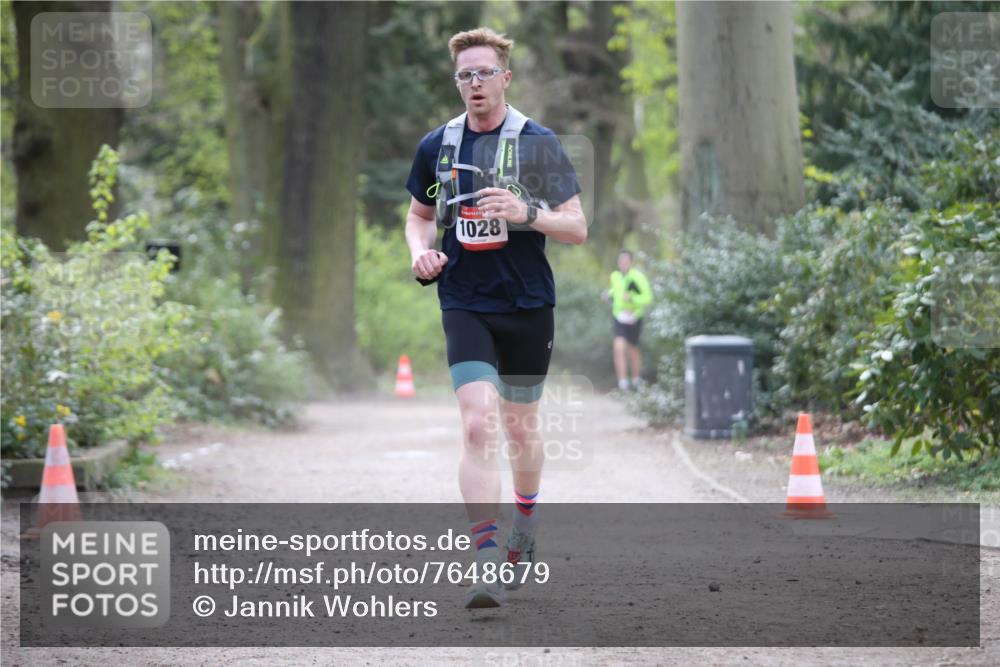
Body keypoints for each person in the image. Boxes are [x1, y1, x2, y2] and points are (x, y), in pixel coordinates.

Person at [404, 27, 587, 609]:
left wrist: (527, 212)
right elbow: (418, 215)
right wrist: (421, 253)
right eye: (465, 75)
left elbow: (577, 226)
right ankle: (484, 559)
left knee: (519, 429)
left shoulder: (537, 143)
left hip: (528, 303)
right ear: (456, 81)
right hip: (463, 299)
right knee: (478, 423)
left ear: (505, 77)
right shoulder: (438, 145)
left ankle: (525, 529)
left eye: (484, 73)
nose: (475, 83)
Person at [602, 250, 652, 391]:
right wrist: (608, 295)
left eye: (625, 261)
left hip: (634, 318)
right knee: (618, 347)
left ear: (631, 262)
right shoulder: (615, 276)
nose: (623, 264)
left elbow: (647, 298)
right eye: (620, 261)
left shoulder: (638, 277)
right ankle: (622, 384)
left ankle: (636, 381)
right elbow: (615, 292)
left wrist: (632, 299)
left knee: (633, 350)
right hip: (619, 317)